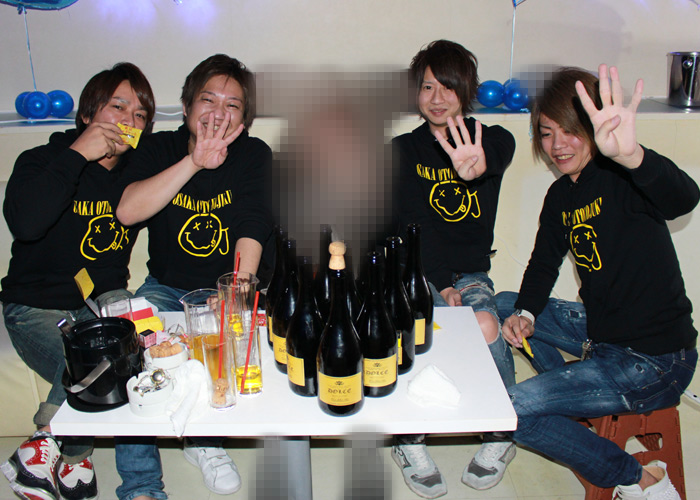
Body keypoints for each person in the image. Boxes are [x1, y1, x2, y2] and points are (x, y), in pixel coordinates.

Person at [496, 64, 698, 499]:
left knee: (510, 411)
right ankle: (569, 398)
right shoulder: (561, 195)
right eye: (546, 133)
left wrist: (633, 155)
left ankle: (638, 477)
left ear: (593, 127)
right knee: (504, 303)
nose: (557, 145)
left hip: (655, 360)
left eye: (570, 130)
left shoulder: (624, 174)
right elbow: (543, 263)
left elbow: (684, 198)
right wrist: (525, 312)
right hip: (602, 334)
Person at [116, 54, 274, 497]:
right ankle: (141, 486)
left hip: (225, 287)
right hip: (166, 289)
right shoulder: (158, 150)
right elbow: (127, 211)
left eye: (233, 105)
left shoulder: (254, 155)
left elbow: (253, 225)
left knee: (222, 345)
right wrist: (194, 162)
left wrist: (236, 292)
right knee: (132, 354)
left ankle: (206, 442)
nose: (218, 112)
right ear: (186, 106)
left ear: (245, 118)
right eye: (208, 99)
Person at [0, 63, 156, 500]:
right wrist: (77, 154)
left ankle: (58, 454)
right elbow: (26, 224)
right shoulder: (40, 160)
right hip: (37, 306)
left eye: (140, 115)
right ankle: (59, 447)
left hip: (100, 302)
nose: (128, 121)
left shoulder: (135, 175)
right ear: (87, 114)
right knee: (105, 359)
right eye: (117, 107)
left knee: (131, 338)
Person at [390, 40, 516, 498]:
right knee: (417, 332)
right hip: (419, 271)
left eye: (448, 87)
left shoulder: (492, 140)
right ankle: (409, 439)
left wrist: (476, 168)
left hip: (471, 271)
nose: (437, 97)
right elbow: (413, 225)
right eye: (427, 87)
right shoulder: (402, 150)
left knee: (485, 324)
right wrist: (442, 285)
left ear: (467, 91)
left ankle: (502, 431)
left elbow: (497, 152)